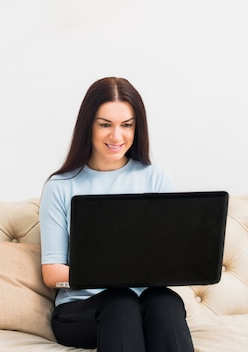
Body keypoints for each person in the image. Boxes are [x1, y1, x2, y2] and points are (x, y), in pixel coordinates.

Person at [39, 77, 194, 352]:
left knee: (165, 302)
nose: (116, 136)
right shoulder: (60, 186)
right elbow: (52, 273)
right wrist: (113, 277)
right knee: (121, 302)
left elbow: (171, 258)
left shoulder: (155, 179)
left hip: (144, 304)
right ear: (88, 125)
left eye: (127, 125)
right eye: (105, 125)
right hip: (82, 310)